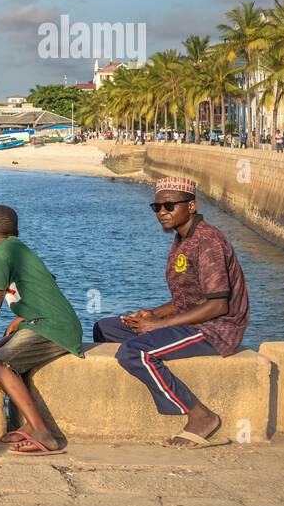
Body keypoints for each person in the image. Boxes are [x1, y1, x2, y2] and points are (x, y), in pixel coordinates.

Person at [92, 176, 249, 448]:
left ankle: (201, 416)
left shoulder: (207, 241)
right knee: (105, 328)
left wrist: (158, 326)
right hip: (192, 321)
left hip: (215, 329)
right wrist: (153, 314)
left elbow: (217, 305)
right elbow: (187, 300)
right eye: (157, 207)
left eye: (169, 206)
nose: (162, 212)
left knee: (134, 351)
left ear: (191, 206)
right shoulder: (182, 238)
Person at [0, 205, 82, 456]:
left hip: (54, 326)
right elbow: (46, 285)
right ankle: (25, 424)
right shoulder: (19, 248)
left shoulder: (3, 249)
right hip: (40, 321)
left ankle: (44, 434)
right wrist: (23, 316)